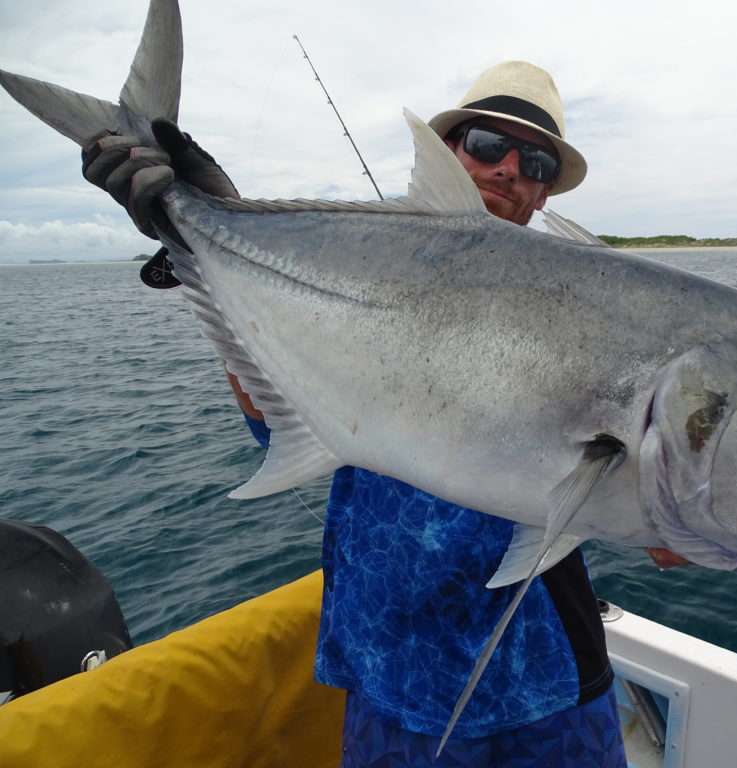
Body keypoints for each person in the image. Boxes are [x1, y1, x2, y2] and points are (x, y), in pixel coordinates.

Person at [83, 61, 638, 767]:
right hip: (387, 665)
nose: (507, 171)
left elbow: (660, 508)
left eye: (534, 161)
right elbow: (270, 410)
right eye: (486, 145)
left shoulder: (591, 312)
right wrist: (196, 234)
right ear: (449, 152)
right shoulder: (351, 270)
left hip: (541, 676)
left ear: (543, 193)